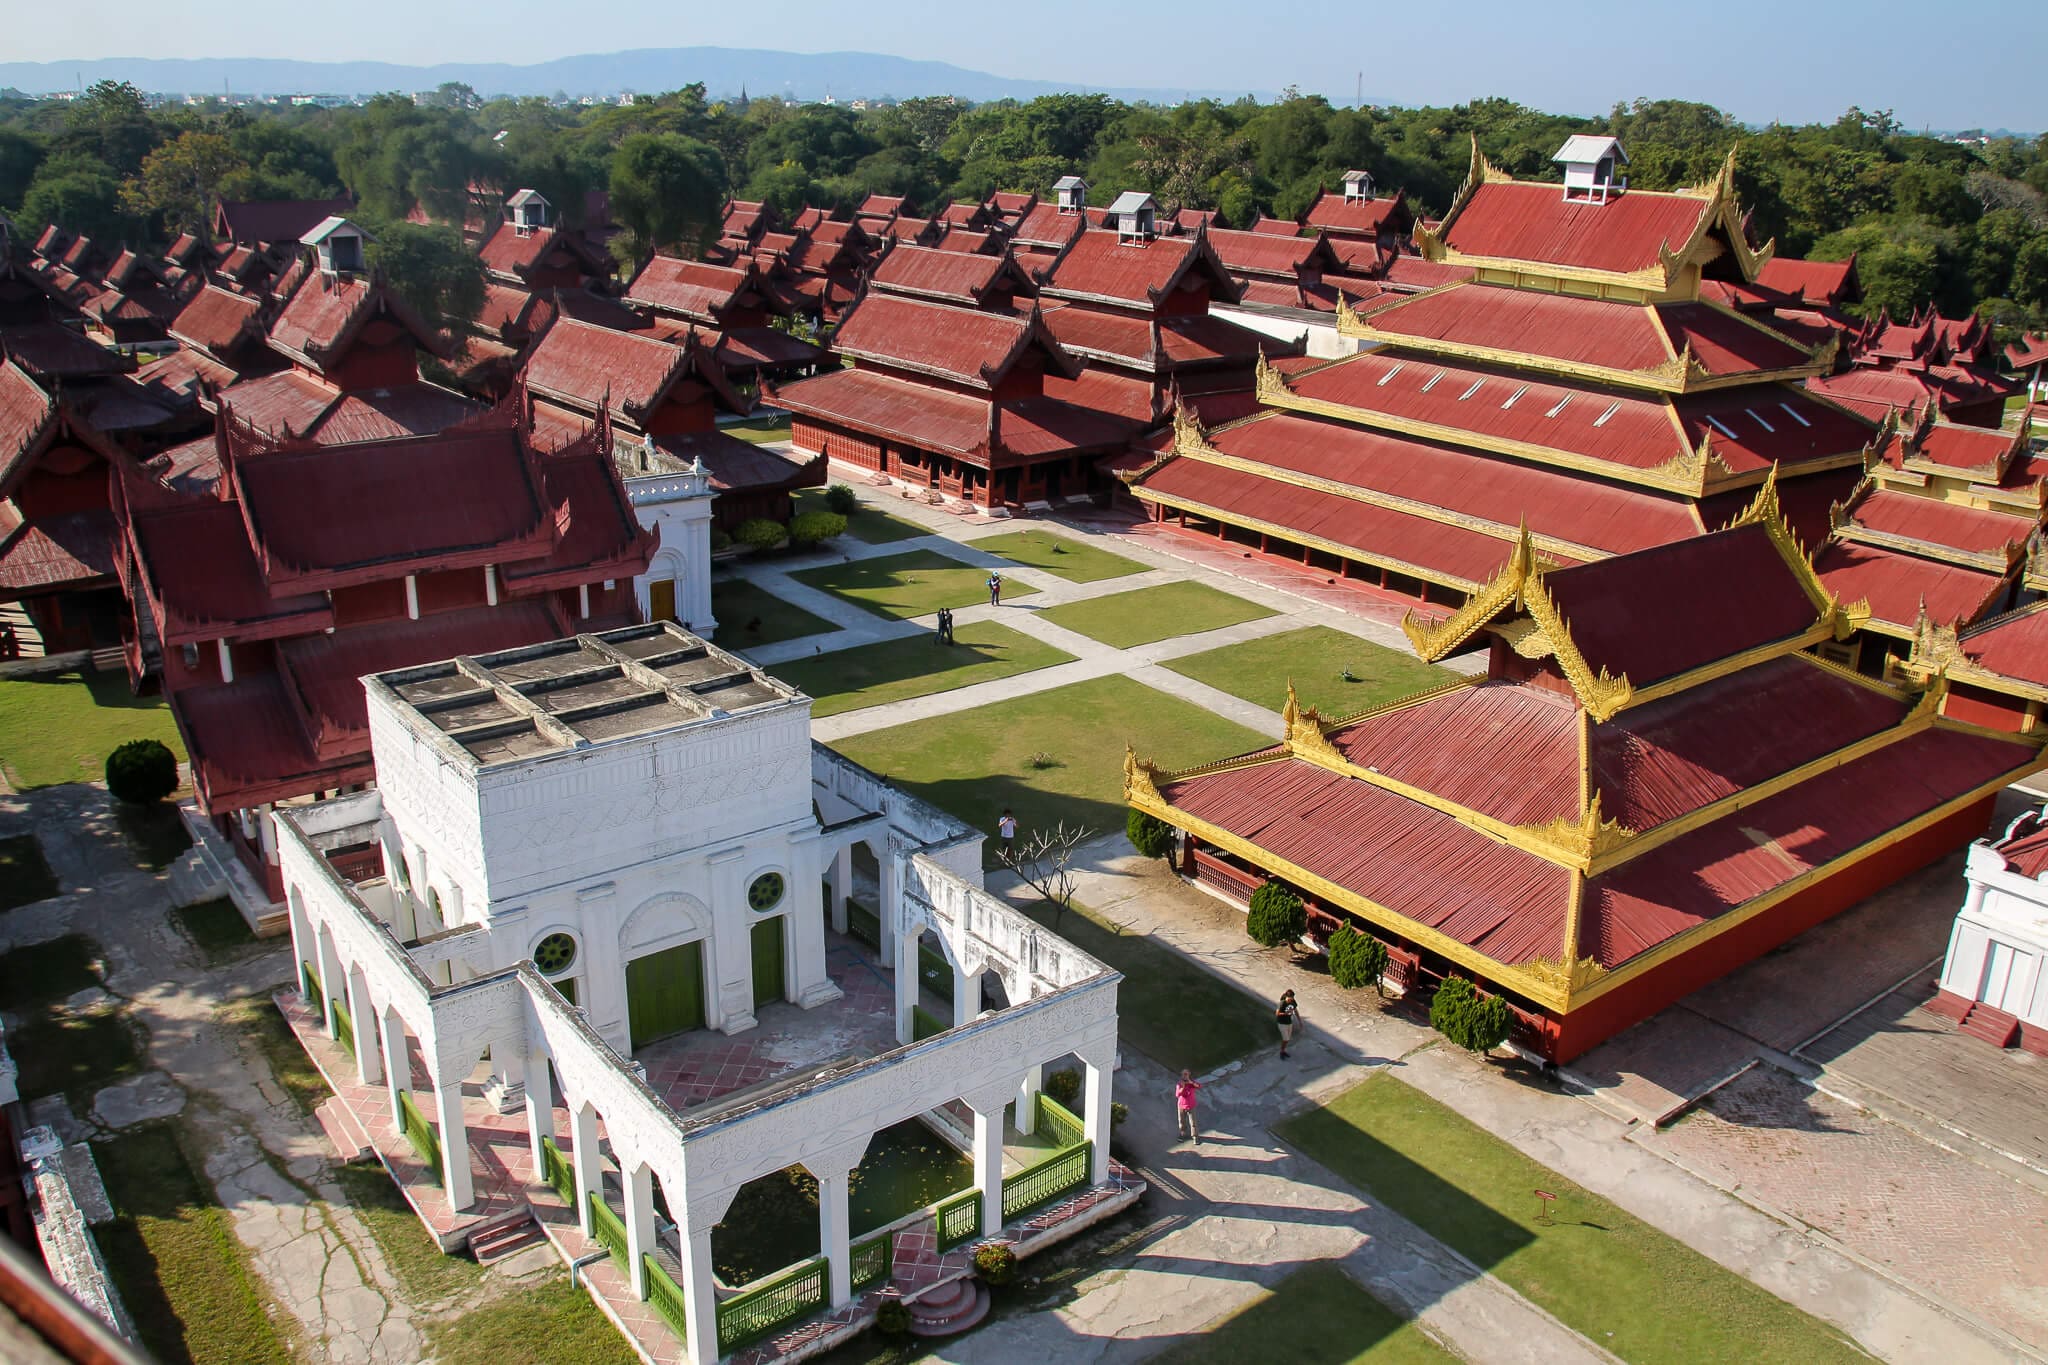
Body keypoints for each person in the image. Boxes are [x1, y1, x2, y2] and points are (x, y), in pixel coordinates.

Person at [1175, 1068, 1202, 1143]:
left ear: (1189, 1074)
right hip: (1181, 1105)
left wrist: (1191, 1083)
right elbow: (1177, 1094)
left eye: (1186, 1074)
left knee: (1193, 1123)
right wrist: (1183, 1087)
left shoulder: (1192, 1083)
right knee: (1182, 1122)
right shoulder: (1179, 1084)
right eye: (1183, 1074)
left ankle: (1195, 1137)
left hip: (1191, 1105)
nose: (1184, 1076)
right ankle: (1183, 1134)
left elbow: (1199, 1086)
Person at [1276, 989, 1300, 1059]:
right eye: (1290, 998)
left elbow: (1295, 1010)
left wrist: (1300, 1021)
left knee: (1288, 1039)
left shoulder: (1293, 1001)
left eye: (1292, 998)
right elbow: (1277, 1013)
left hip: (1289, 1022)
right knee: (1286, 1039)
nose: (1291, 999)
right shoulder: (1282, 1003)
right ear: (1287, 997)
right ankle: (1281, 1052)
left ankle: (1283, 1051)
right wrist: (1285, 1013)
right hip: (1282, 1023)